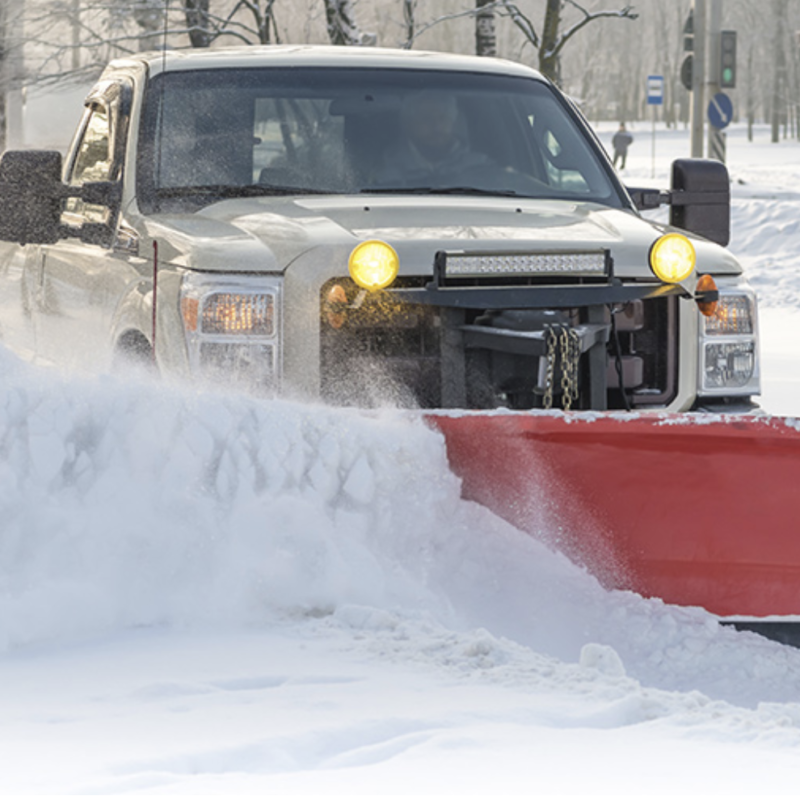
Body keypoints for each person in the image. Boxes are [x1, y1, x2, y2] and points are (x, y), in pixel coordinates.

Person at [377, 91, 490, 186]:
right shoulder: (385, 172)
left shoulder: (481, 166)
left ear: (452, 121)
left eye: (443, 118)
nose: (436, 126)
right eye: (426, 119)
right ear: (409, 124)